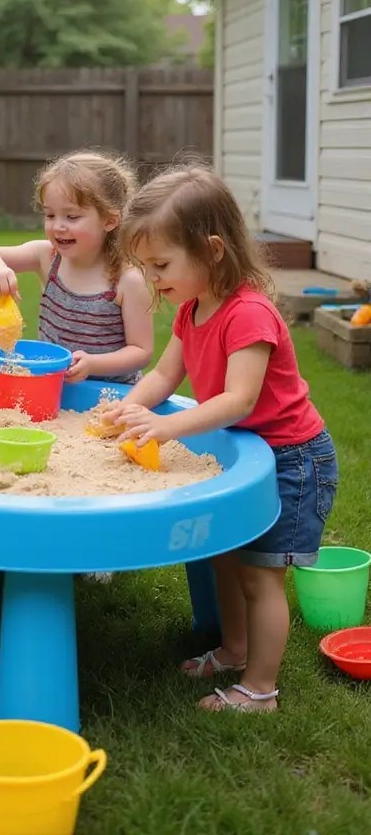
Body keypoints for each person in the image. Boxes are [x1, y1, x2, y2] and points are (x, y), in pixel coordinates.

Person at [104, 165, 338, 712]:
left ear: (211, 249)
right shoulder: (192, 307)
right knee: (227, 562)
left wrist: (165, 427)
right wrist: (126, 408)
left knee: (262, 577)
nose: (153, 278)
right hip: (247, 457)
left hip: (291, 460)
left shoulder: (248, 313)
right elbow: (164, 377)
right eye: (146, 266)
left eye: (161, 264)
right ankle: (235, 650)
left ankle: (261, 690)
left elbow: (240, 400)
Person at [0, 149, 153, 385]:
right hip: (55, 386)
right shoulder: (47, 257)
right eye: (50, 215)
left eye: (72, 217)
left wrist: (93, 364)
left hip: (111, 394)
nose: (58, 226)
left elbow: (141, 351)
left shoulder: (126, 280)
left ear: (109, 220)